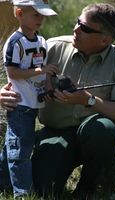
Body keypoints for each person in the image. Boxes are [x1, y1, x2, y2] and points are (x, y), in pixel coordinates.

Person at [1, 2, 115, 200]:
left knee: (103, 131)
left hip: (92, 133)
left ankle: (88, 187)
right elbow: (17, 76)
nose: (76, 29)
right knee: (44, 189)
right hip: (55, 132)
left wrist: (88, 100)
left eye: (85, 28)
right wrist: (3, 93)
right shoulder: (49, 46)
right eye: (77, 22)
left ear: (105, 40)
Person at [1, 0, 57, 199]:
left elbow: (44, 70)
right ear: (19, 13)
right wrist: (40, 71)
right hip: (20, 104)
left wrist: (48, 85)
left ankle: (3, 184)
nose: (40, 19)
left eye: (42, 15)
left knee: (14, 145)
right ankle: (22, 194)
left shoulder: (41, 40)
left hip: (33, 104)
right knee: (20, 151)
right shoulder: (15, 42)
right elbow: (13, 72)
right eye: (36, 15)